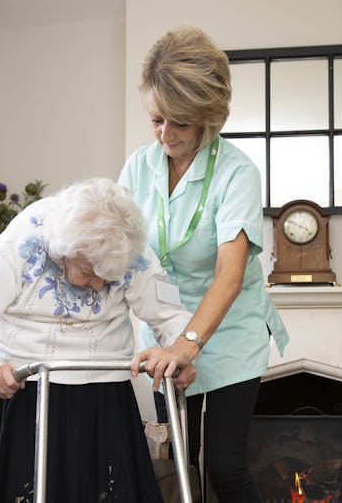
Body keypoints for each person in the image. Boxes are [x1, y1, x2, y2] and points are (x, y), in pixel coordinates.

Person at [0, 177, 197, 503]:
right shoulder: (26, 238)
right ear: (65, 253)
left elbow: (173, 315)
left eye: (109, 276)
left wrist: (178, 352)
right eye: (89, 272)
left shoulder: (130, 244)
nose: (100, 284)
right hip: (25, 391)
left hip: (107, 395)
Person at [121, 26, 289, 502]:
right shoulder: (138, 166)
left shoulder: (237, 173)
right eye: (156, 120)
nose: (165, 135)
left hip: (229, 329)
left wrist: (188, 344)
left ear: (207, 117)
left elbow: (230, 274)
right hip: (163, 331)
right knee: (179, 464)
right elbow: (120, 250)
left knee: (225, 466)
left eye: (180, 123)